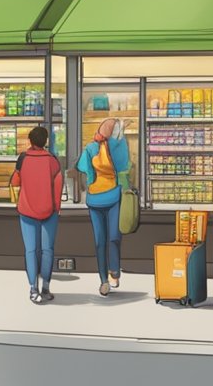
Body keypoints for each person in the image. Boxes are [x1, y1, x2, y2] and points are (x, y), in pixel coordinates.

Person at [76, 117, 131, 296]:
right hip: (97, 199)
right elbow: (83, 167)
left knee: (113, 237)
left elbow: (123, 164)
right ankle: (104, 280)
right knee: (102, 241)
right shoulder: (92, 148)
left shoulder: (115, 147)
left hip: (112, 196)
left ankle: (114, 270)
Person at [11, 126, 63, 304]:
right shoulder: (52, 160)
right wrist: (56, 208)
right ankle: (46, 288)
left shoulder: (23, 158)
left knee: (31, 250)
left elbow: (15, 181)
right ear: (46, 141)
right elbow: (58, 185)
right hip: (49, 211)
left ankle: (33, 289)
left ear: (30, 141)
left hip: (26, 211)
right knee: (47, 250)